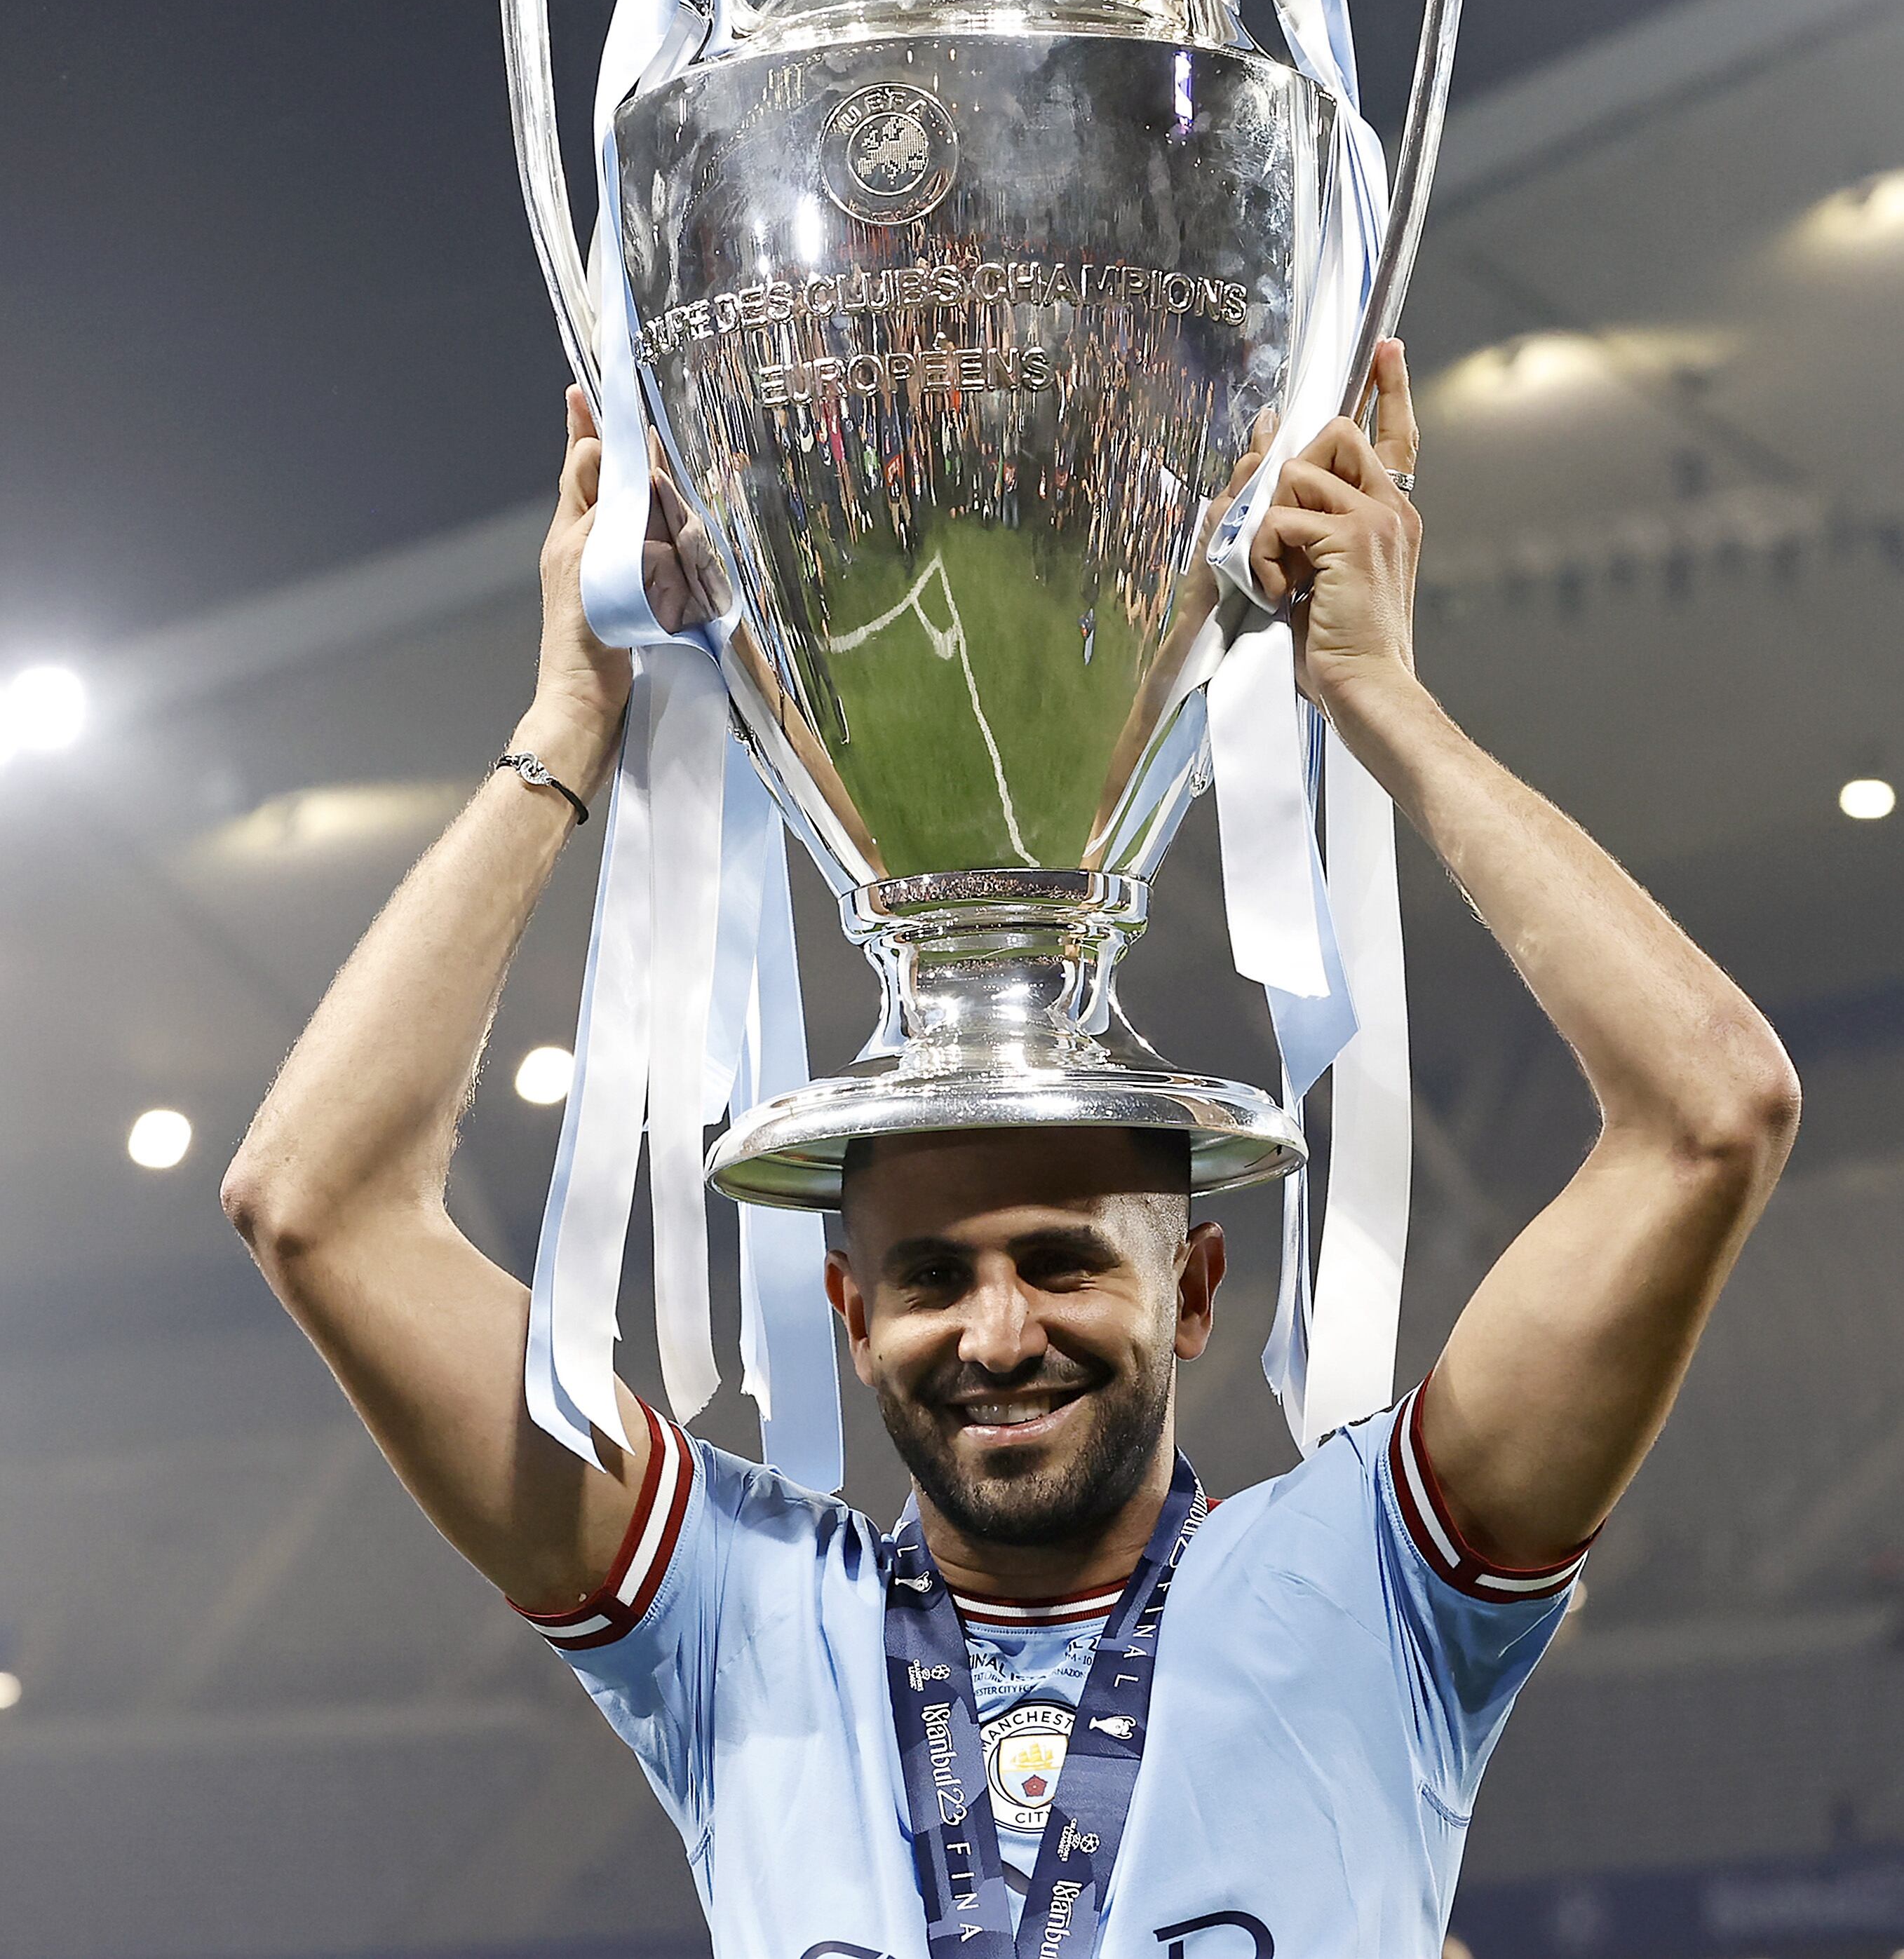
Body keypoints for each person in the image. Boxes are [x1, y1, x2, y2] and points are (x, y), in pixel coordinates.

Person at [222, 340, 1799, 1959]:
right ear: (849, 1310)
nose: (993, 1332)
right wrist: (571, 714)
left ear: (1193, 1286)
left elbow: (1709, 1114)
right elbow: (311, 1204)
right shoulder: (734, 1614)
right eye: (929, 1276)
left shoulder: (1378, 1581)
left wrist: (1376, 696)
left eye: (1059, 1260)